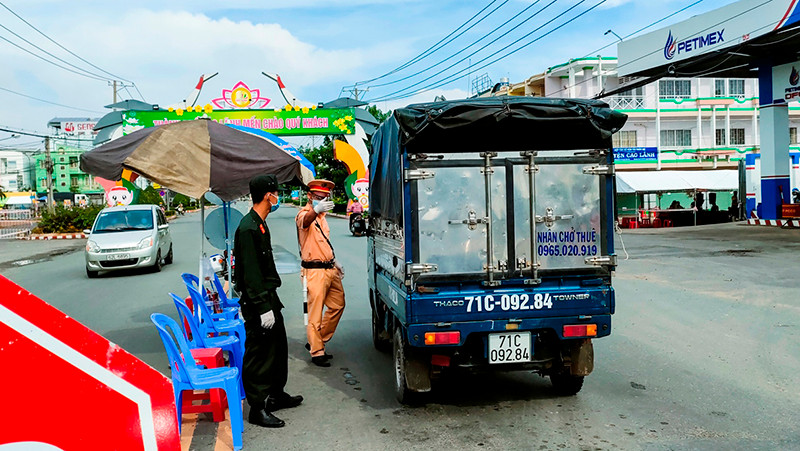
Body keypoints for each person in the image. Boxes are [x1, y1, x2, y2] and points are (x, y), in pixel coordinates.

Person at [234, 174, 302, 428]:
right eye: (276, 193)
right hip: (257, 302)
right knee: (259, 354)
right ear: (267, 195)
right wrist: (263, 307)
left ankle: (276, 394)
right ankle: (257, 407)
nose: (277, 197)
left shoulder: (260, 224)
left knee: (278, 348)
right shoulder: (248, 228)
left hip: (269, 296)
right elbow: (250, 274)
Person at [295, 179, 345, 368]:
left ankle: (317, 339)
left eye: (325, 197)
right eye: (318, 197)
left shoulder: (323, 217)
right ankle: (317, 352)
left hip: (330, 268)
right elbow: (305, 221)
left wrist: (335, 261)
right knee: (315, 313)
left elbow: (323, 243)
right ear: (309, 196)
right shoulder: (304, 215)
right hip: (314, 271)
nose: (322, 200)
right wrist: (315, 210)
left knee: (338, 305)